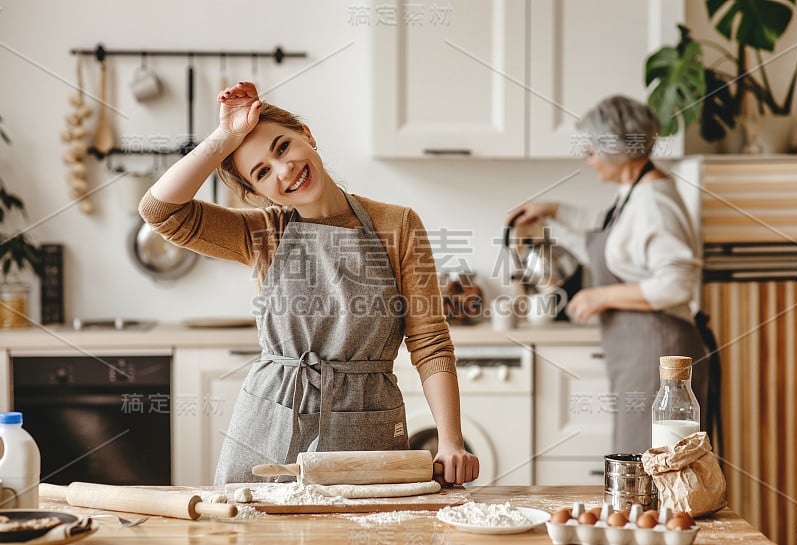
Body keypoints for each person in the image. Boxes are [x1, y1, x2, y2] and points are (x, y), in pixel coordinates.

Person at [139, 81, 479, 485]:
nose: (284, 171)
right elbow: (159, 210)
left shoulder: (398, 224)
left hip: (365, 421)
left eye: (282, 147)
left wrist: (450, 440)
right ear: (258, 193)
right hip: (270, 421)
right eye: (262, 172)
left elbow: (429, 341)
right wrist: (224, 137)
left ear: (308, 135)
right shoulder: (262, 233)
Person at [507, 95, 709, 455]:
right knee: (639, 461)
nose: (588, 157)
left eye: (592, 148)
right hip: (641, 353)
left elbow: (677, 284)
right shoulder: (635, 191)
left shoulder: (654, 203)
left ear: (615, 147)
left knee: (648, 466)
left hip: (658, 352)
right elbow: (609, 227)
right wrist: (552, 209)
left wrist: (599, 297)